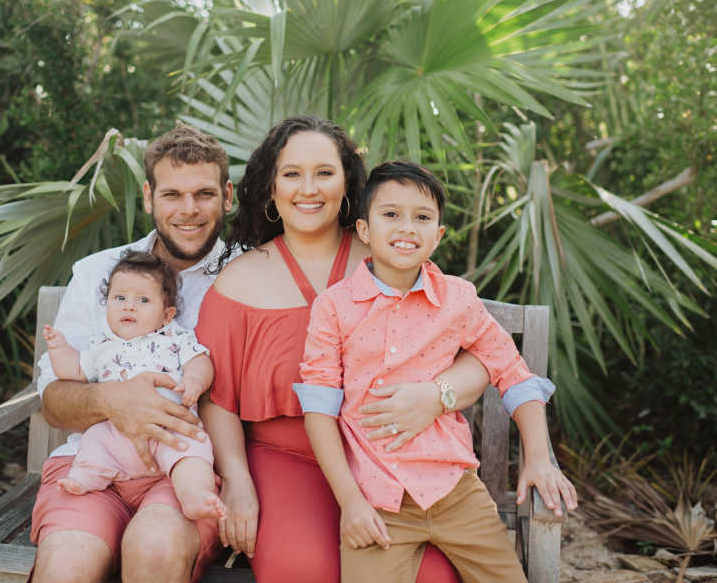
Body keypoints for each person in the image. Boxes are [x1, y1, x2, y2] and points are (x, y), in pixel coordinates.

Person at [195, 116, 552, 583]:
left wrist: (435, 396)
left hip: (393, 456)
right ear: (271, 187)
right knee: (302, 571)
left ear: (348, 185)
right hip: (288, 460)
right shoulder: (238, 281)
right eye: (291, 174)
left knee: (435, 579)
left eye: (324, 172)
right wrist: (238, 482)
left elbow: (482, 349)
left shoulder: (391, 252)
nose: (309, 188)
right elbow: (217, 398)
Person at [296, 161, 578, 582]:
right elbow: (319, 408)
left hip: (457, 493)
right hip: (379, 500)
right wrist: (351, 501)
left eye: (423, 217)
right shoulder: (334, 307)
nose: (407, 228)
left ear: (438, 235)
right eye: (391, 214)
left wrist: (538, 457)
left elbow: (513, 372)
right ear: (364, 230)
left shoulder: (458, 301)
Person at [30, 123, 234, 583]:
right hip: (93, 458)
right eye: (171, 194)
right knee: (66, 566)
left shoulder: (249, 277)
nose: (189, 210)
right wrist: (111, 401)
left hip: (186, 469)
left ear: (228, 195)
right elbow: (54, 400)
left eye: (204, 193)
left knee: (156, 551)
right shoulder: (99, 273)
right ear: (147, 196)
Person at [42, 250, 226, 523]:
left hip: (171, 429)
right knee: (94, 442)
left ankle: (194, 495)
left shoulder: (174, 337)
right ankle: (85, 478)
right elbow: (75, 373)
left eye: (142, 300)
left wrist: (193, 381)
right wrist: (60, 349)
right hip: (116, 432)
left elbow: (199, 361)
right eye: (120, 298)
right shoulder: (101, 345)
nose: (129, 306)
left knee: (193, 452)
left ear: (167, 314)